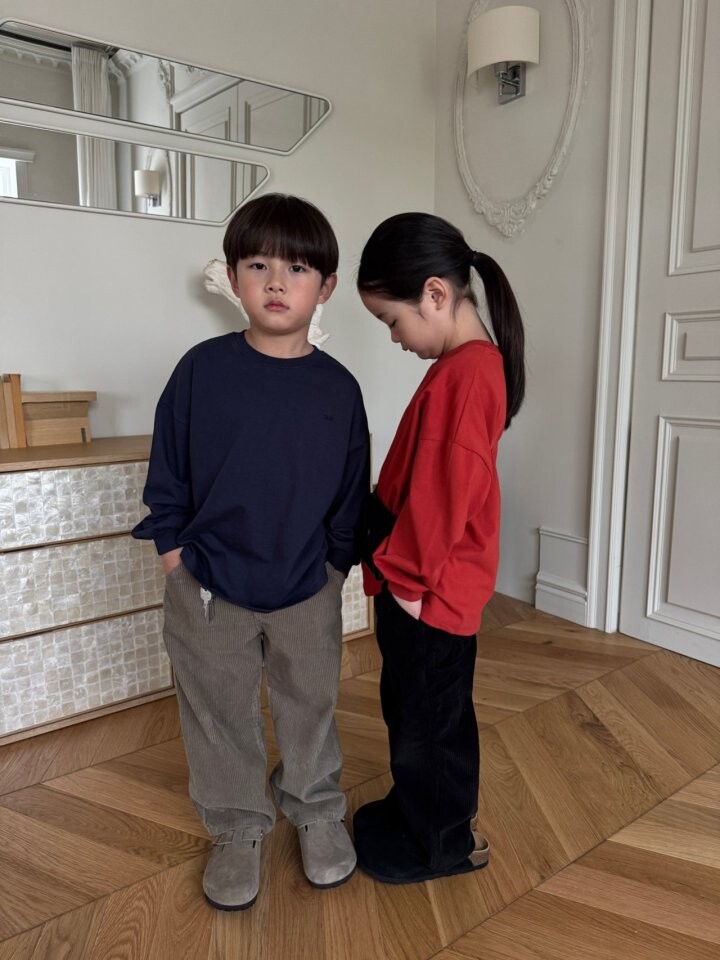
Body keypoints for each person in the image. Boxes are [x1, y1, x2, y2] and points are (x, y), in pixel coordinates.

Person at [132, 193, 370, 911]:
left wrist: (334, 569)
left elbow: (351, 490)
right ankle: (237, 825)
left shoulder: (339, 389)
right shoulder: (200, 372)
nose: (276, 282)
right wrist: (174, 556)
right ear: (233, 277)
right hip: (208, 583)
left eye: (296, 269)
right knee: (218, 710)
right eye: (258, 265)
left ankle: (316, 809)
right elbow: (168, 470)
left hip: (306, 584)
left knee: (310, 704)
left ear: (325, 287)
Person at [353, 212, 525, 884]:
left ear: (434, 294)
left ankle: (442, 845)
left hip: (429, 590)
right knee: (412, 710)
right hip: (418, 581)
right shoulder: (462, 367)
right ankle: (413, 813)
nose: (395, 337)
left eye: (391, 320)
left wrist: (409, 584)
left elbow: (447, 491)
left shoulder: (470, 374)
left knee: (432, 724)